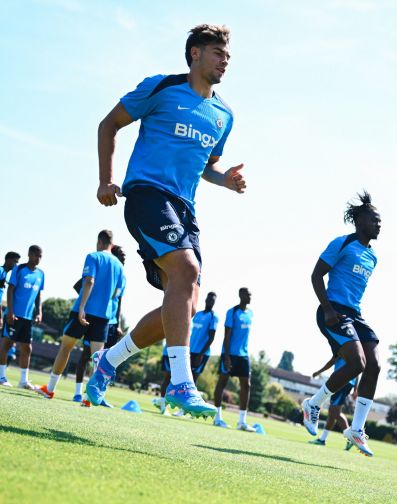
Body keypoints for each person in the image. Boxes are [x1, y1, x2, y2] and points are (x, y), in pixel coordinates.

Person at [86, 24, 245, 419]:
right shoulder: (161, 88)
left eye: (227, 55)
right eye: (217, 52)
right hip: (146, 195)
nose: (225, 60)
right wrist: (106, 179)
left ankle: (108, 361)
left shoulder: (223, 114)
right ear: (194, 53)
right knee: (187, 270)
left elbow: (208, 166)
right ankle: (180, 382)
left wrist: (224, 179)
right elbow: (109, 125)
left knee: (186, 305)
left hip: (185, 209)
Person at [302, 191, 381, 457]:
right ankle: (313, 404)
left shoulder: (373, 257)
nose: (378, 225)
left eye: (380, 222)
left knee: (375, 365)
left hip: (355, 315)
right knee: (357, 363)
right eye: (374, 220)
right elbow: (316, 276)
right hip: (333, 311)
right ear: (359, 221)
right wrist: (327, 309)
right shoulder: (342, 243)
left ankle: (356, 429)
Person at [37, 231, 124, 402]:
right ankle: (89, 398)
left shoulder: (93, 256)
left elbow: (89, 281)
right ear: (112, 244)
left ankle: (50, 389)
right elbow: (116, 293)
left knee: (65, 348)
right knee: (98, 359)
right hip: (103, 317)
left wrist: (83, 307)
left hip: (83, 311)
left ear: (100, 241)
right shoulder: (119, 266)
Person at [73, 245, 127, 402]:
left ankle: (97, 394)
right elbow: (80, 286)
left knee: (105, 360)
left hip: (111, 322)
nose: (124, 259)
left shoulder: (121, 275)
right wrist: (92, 302)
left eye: (125, 257)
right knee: (86, 356)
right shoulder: (104, 269)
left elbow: (119, 300)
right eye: (121, 256)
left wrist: (117, 323)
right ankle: (78, 392)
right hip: (95, 318)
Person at [153, 292, 218, 415]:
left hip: (200, 354)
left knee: (192, 380)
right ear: (205, 299)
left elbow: (211, 338)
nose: (210, 301)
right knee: (177, 377)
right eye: (209, 298)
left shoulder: (213, 317)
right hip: (189, 350)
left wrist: (201, 354)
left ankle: (184, 410)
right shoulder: (197, 315)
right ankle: (164, 403)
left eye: (213, 300)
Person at [0, 246, 44, 388]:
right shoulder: (18, 269)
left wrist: (39, 312)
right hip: (15, 315)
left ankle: (23, 381)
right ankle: (1, 376)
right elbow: (10, 290)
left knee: (27, 348)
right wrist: (10, 312)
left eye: (40, 256)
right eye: (36, 255)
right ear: (30, 255)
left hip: (27, 318)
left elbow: (38, 295)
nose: (38, 259)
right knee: (7, 344)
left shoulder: (41, 274)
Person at [213, 288, 255, 431]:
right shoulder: (232, 312)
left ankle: (242, 422)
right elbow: (227, 335)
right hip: (230, 354)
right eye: (247, 294)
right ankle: (217, 418)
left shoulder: (250, 313)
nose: (250, 297)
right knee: (222, 383)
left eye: (250, 295)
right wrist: (226, 357)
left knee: (246, 385)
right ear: (240, 295)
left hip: (244, 355)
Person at [309, 355, 357, 450]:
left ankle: (351, 438)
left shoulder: (344, 347)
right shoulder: (353, 349)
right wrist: (355, 387)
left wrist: (318, 372)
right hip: (343, 382)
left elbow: (331, 362)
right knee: (332, 413)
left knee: (335, 412)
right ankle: (323, 439)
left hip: (342, 382)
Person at [0, 252, 21, 334]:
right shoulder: (1, 271)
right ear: (8, 260)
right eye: (15, 261)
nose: (16, 265)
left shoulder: (5, 274)